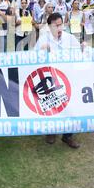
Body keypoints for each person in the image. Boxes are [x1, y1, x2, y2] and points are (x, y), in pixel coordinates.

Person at [34, 12, 81, 149]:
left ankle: (68, 136)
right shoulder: (43, 39)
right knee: (52, 105)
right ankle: (51, 131)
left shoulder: (70, 38)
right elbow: (33, 58)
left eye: (61, 25)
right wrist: (42, 51)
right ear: (49, 27)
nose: (59, 28)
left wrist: (83, 46)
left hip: (68, 77)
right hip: (52, 79)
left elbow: (80, 52)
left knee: (70, 106)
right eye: (56, 26)